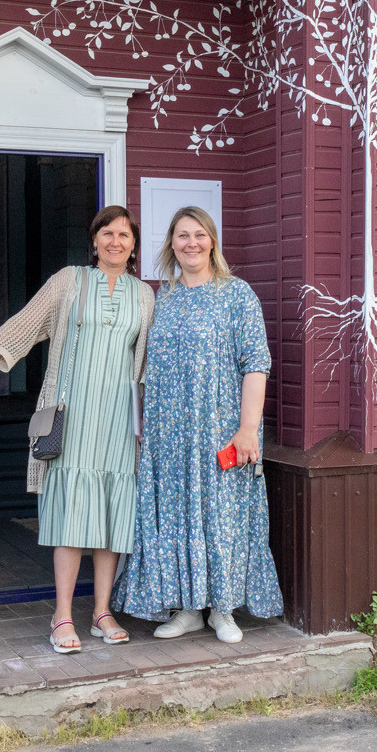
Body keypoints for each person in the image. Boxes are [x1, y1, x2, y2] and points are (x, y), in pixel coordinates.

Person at [0, 205, 152, 654]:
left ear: (133, 245)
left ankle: (102, 612)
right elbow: (24, 325)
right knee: (72, 516)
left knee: (112, 517)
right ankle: (63, 615)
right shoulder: (69, 281)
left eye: (124, 235)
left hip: (118, 421)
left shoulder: (145, 296)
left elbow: (148, 364)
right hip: (70, 415)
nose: (115, 241)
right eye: (107, 234)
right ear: (93, 241)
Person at [116, 205, 281, 644]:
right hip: (169, 433)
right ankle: (187, 608)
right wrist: (141, 424)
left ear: (212, 242)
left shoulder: (237, 294)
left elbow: (256, 364)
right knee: (176, 517)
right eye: (182, 235)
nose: (191, 243)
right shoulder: (162, 296)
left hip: (221, 428)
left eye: (199, 235)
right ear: (171, 243)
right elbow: (143, 366)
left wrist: (248, 429)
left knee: (222, 514)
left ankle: (222, 610)